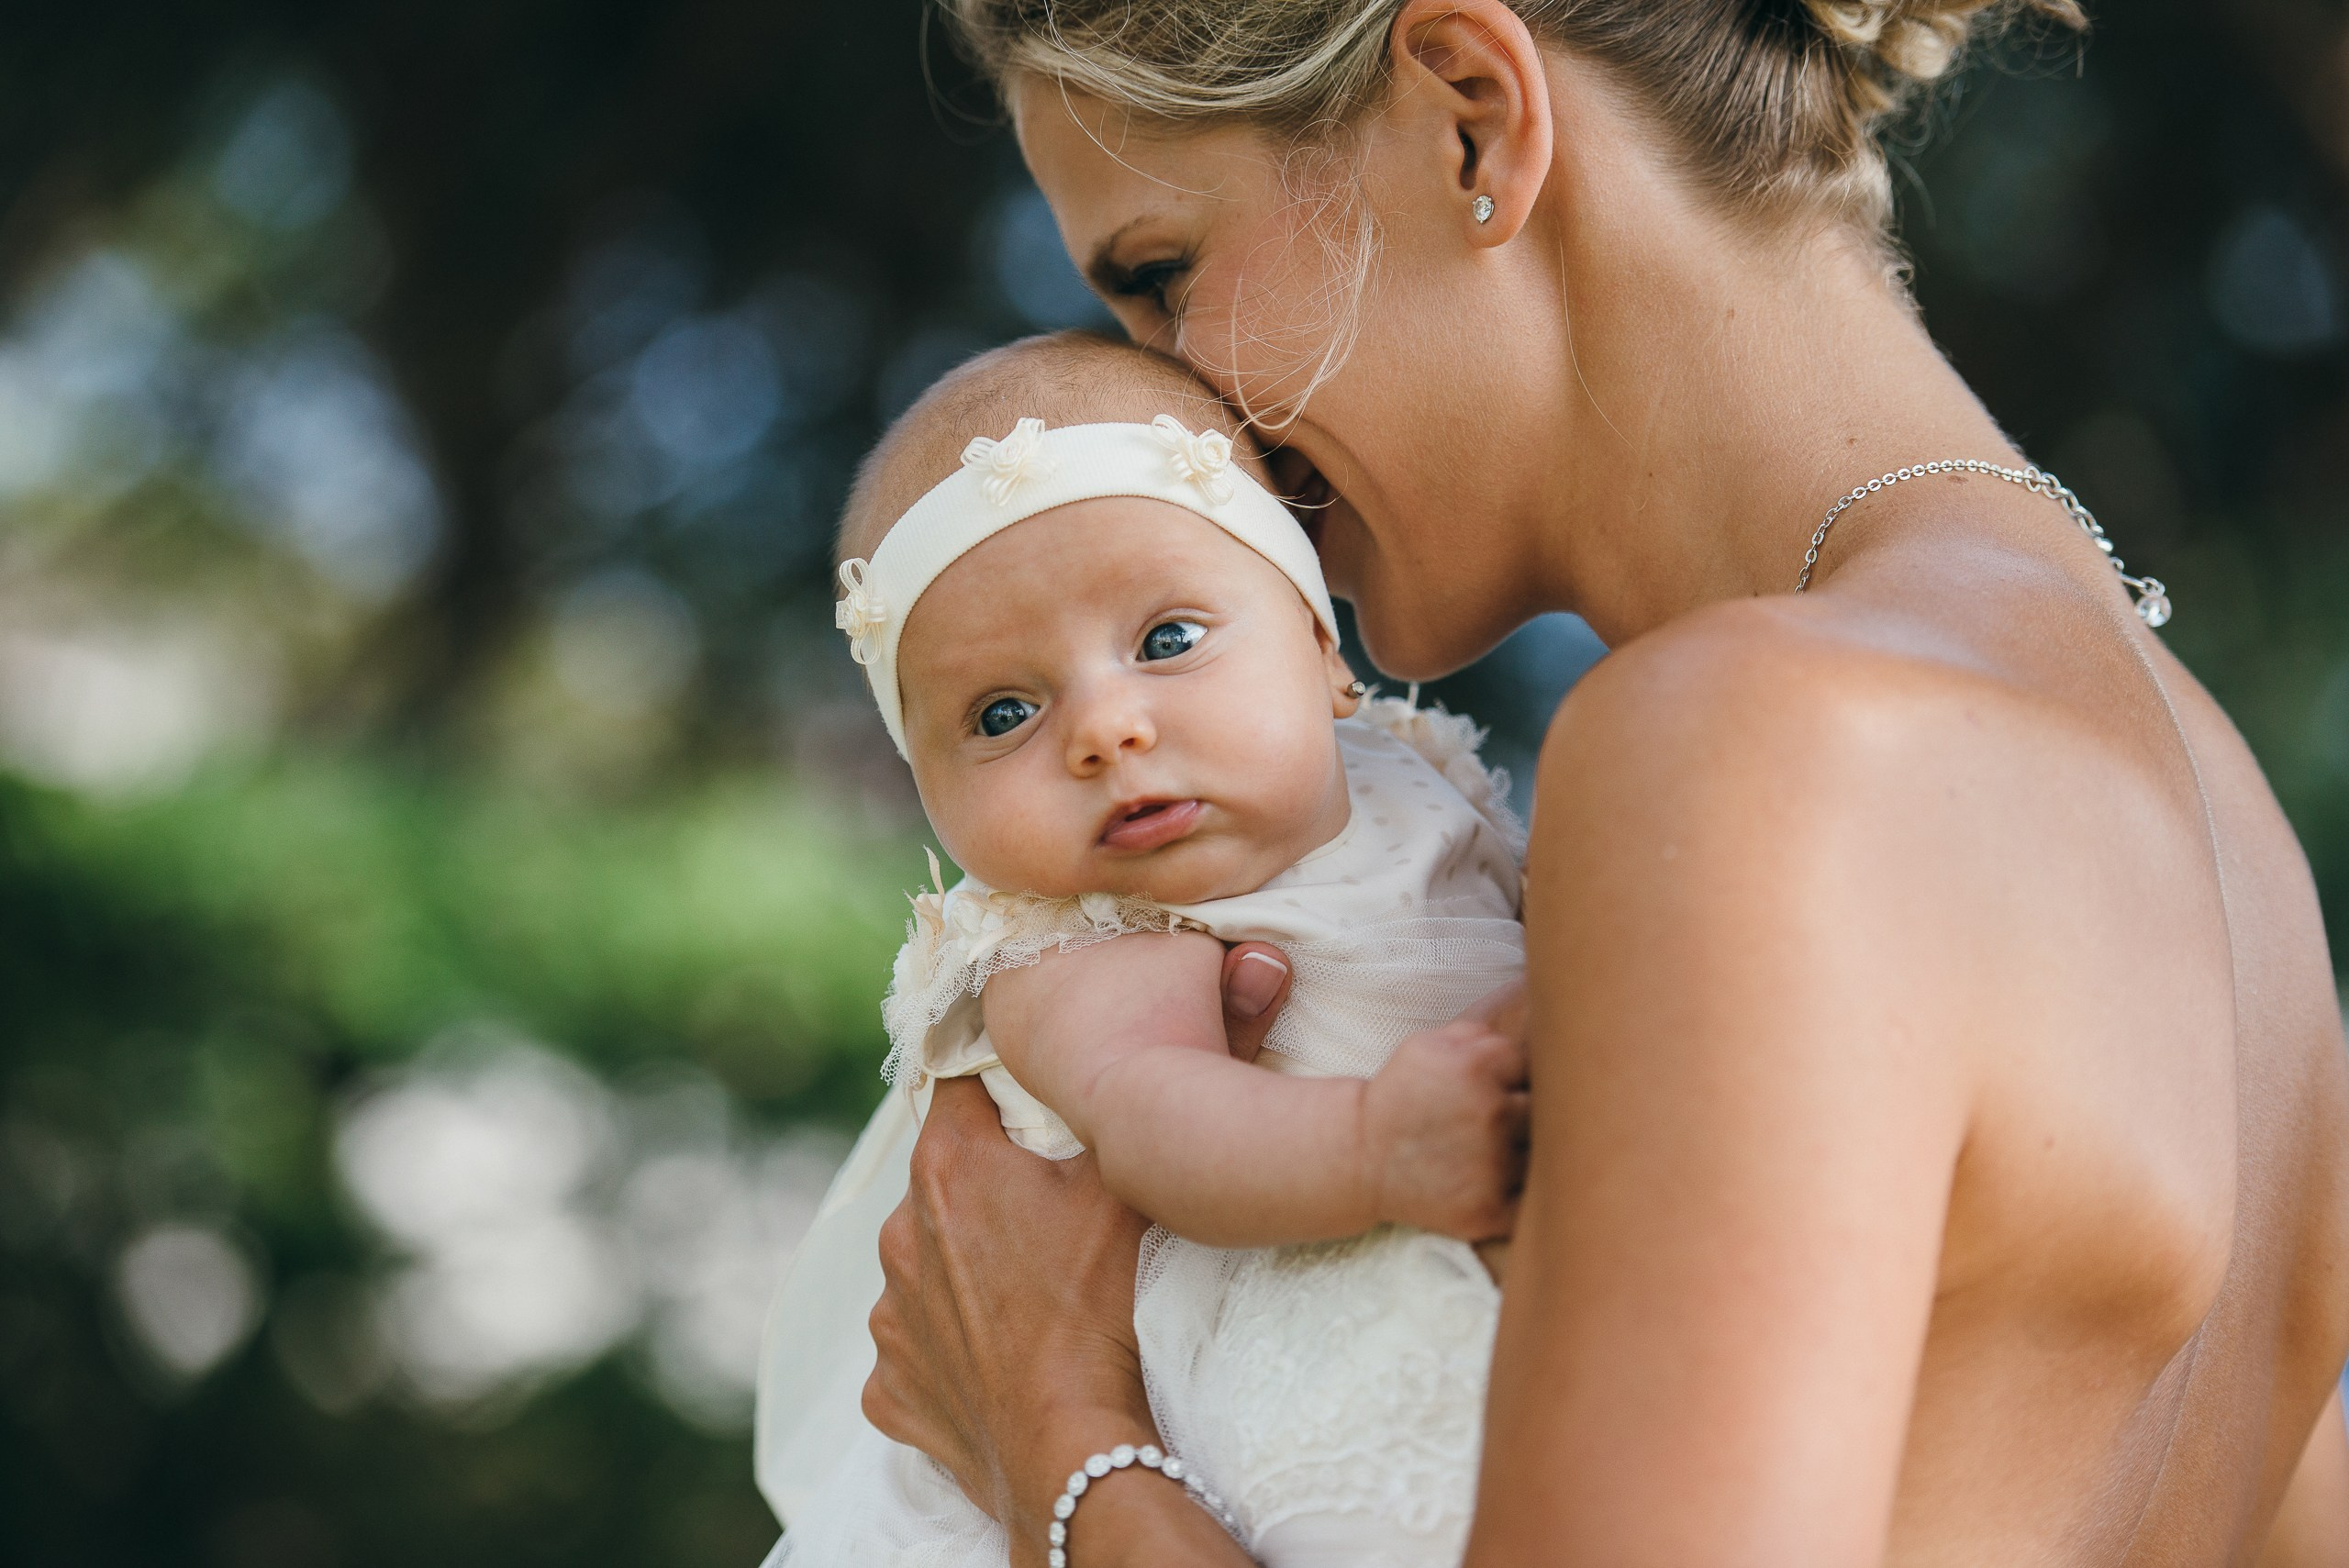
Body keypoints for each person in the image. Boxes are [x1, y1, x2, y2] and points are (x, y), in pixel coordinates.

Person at [854, 1, 2349, 1564]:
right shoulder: (2234, 845)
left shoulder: (1760, 740)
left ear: (1468, 116)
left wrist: (1055, 1430)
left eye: (1162, 278)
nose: (1177, 418)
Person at [764, 333, 1531, 1565]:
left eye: (1168, 638)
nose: (1107, 729)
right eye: (1003, 713)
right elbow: (1157, 1117)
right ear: (931, 797)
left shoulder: (1415, 779)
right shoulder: (1078, 938)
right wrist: (1380, 1143)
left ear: (1325, 651)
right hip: (1223, 1378)